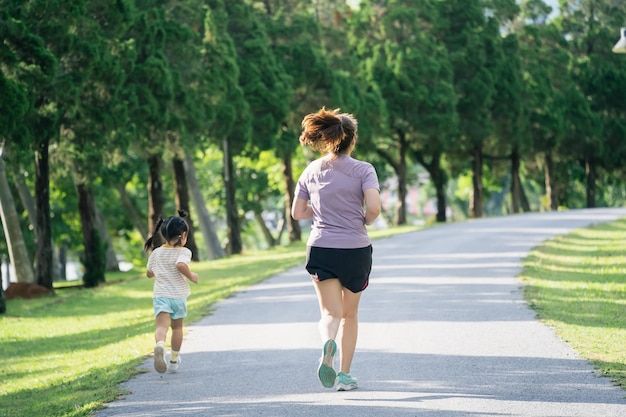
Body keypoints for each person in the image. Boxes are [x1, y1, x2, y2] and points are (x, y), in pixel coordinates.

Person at [291, 107, 381, 391]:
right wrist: (362, 219)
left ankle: (326, 343)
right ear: (352, 140)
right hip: (355, 249)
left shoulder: (311, 170)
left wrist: (320, 214)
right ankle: (344, 375)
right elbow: (374, 209)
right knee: (350, 315)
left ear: (329, 139)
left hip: (321, 249)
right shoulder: (364, 169)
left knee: (330, 314)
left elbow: (297, 212)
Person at [144, 210, 199, 373]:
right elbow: (180, 265)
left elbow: (149, 273)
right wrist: (192, 276)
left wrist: (159, 270)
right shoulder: (184, 252)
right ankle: (174, 360)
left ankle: (160, 345)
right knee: (176, 328)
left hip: (161, 295)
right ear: (183, 235)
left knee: (161, 327)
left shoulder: (156, 253)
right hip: (178, 296)